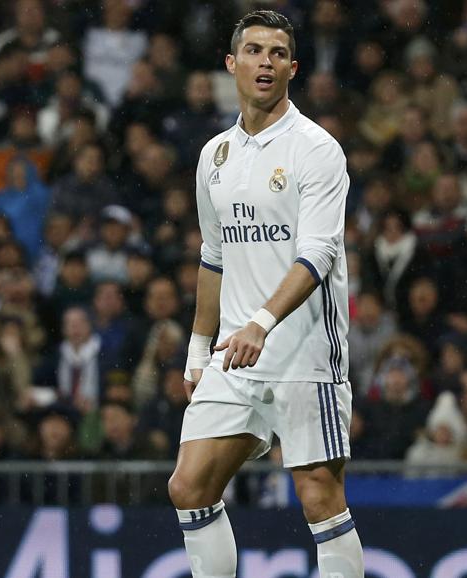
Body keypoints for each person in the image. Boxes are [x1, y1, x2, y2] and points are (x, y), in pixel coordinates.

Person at [168, 11, 364, 578]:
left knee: (318, 494)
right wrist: (198, 349)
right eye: (253, 51)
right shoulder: (215, 156)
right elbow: (214, 255)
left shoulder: (316, 149)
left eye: (278, 54)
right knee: (189, 486)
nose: (265, 62)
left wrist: (262, 321)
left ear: (293, 69)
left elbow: (318, 254)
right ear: (232, 63)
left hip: (305, 351)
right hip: (235, 351)